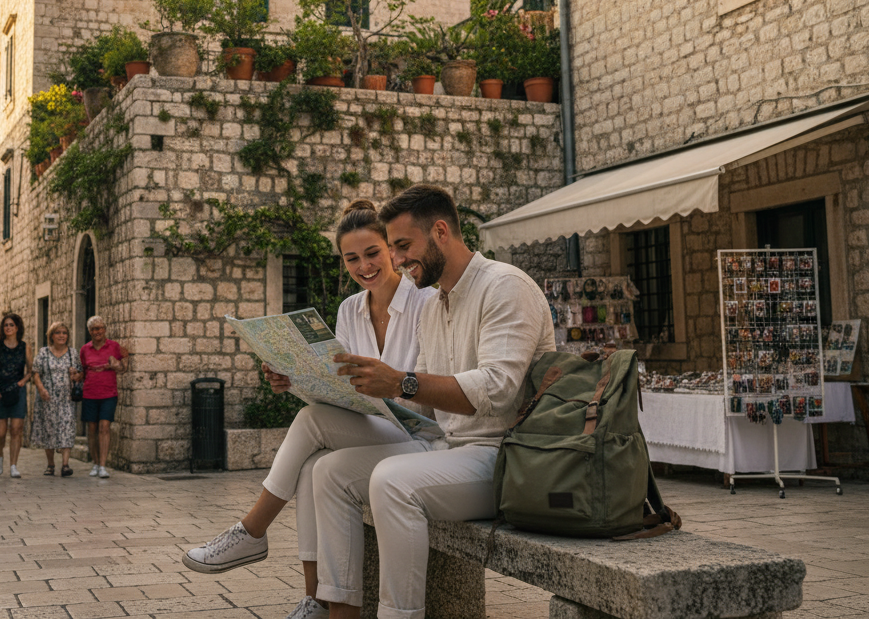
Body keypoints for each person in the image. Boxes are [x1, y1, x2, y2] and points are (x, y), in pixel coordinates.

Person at [183, 200, 438, 619]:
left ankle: (253, 530)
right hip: (372, 425)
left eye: (373, 253)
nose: (364, 266)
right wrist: (294, 380)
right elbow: (339, 390)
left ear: (391, 249)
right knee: (312, 460)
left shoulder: (423, 303)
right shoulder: (349, 310)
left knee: (312, 426)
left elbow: (425, 386)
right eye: (351, 258)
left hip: (417, 433)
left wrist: (387, 383)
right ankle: (314, 599)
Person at [320, 184, 553, 619]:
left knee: (392, 481)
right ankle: (340, 612)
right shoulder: (434, 305)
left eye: (403, 246)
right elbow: (424, 410)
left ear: (441, 231)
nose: (398, 259)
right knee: (331, 472)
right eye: (393, 248)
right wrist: (340, 389)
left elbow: (498, 390)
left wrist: (400, 382)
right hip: (448, 447)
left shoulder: (505, 287)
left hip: (505, 458)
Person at [79, 315, 127, 478]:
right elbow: (82, 372)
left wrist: (118, 363)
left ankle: (103, 466)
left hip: (109, 393)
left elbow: (123, 367)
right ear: (89, 332)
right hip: (90, 393)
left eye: (99, 328)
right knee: (92, 429)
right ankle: (95, 463)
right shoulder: (85, 349)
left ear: (105, 329)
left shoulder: (114, 347)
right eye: (93, 329)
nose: (97, 331)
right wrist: (75, 375)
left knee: (104, 427)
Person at [0, 313, 31, 479]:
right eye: (6, 325)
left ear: (17, 328)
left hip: (18, 391)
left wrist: (23, 381)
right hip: (0, 391)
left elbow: (31, 370)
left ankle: (13, 465)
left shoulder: (25, 346)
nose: (8, 328)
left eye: (11, 325)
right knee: (0, 432)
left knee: (17, 429)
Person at [32, 322, 80, 477]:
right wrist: (41, 389)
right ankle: (51, 464)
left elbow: (80, 374)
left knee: (67, 427)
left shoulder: (73, 353)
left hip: (67, 398)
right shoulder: (44, 352)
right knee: (49, 429)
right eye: (58, 333)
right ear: (51, 336)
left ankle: (65, 465)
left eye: (64, 333)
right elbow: (36, 373)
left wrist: (76, 375)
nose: (61, 336)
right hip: (48, 398)